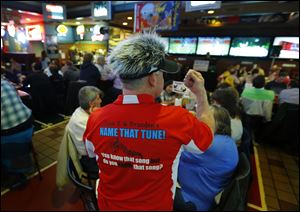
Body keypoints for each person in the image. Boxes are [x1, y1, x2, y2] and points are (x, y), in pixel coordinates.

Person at [83, 33, 215, 211]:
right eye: (161, 73)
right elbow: (205, 139)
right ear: (153, 79)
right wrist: (200, 94)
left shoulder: (95, 118)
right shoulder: (178, 119)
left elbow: (92, 153)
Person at [177, 105, 239, 211]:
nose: (199, 118)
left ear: (218, 124)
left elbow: (175, 151)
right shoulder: (225, 141)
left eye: (205, 117)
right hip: (204, 195)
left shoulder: (210, 145)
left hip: (190, 202)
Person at [67, 86, 103, 174]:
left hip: (90, 153)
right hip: (89, 159)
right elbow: (100, 144)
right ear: (91, 103)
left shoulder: (79, 110)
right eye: (98, 99)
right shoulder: (83, 121)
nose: (101, 101)